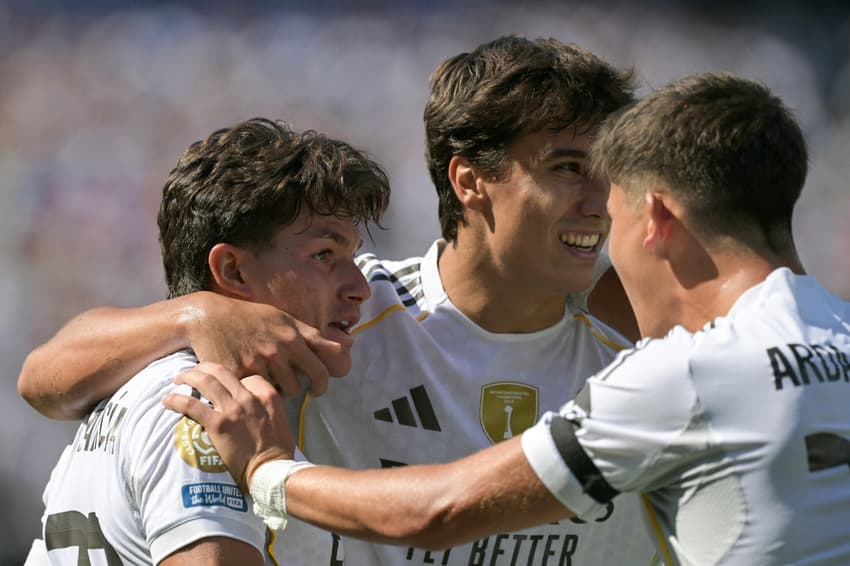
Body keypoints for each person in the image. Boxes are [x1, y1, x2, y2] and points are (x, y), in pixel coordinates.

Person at [165, 72, 850, 566]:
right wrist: (195, 313)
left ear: (658, 219)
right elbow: (91, 368)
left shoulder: (686, 373)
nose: (598, 224)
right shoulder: (838, 330)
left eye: (613, 211)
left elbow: (439, 512)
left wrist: (268, 471)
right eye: (569, 169)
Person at [19, 37, 656, 565]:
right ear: (469, 180)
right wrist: (200, 312)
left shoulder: (643, 362)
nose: (599, 201)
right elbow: (46, 379)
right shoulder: (337, 323)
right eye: (568, 168)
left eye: (608, 173)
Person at [25, 118, 391, 565]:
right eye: (324, 255)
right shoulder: (208, 412)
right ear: (233, 270)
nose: (360, 287)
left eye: (352, 255)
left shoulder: (145, 377)